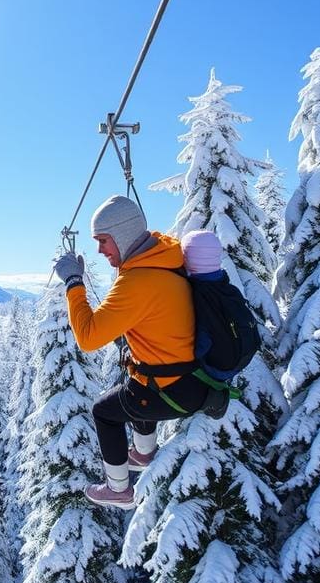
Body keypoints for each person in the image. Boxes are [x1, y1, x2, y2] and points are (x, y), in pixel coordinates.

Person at [53, 195, 207, 509]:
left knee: (105, 411)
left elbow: (88, 337)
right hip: (190, 380)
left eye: (104, 240)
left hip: (170, 390)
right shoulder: (164, 259)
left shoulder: (139, 281)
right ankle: (145, 453)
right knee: (133, 387)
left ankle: (119, 489)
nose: (100, 250)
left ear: (122, 235)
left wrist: (73, 283)